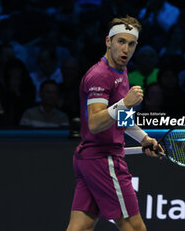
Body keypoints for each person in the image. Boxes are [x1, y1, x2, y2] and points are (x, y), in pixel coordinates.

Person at [66, 16, 163, 231]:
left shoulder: (121, 70)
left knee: (79, 227)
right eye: (120, 41)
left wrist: (144, 139)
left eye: (131, 44)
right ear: (108, 41)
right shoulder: (100, 75)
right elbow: (96, 123)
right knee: (134, 227)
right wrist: (124, 103)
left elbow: (120, 118)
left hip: (89, 160)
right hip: (103, 161)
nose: (125, 49)